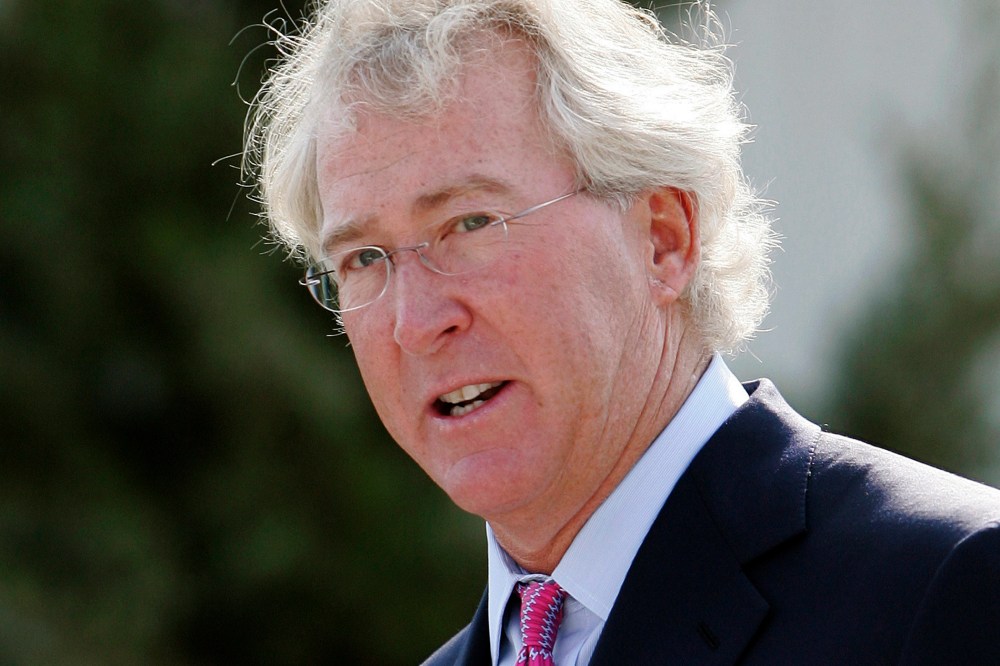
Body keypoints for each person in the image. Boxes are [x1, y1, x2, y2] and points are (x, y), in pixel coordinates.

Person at [244, 0, 1000, 663]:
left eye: (469, 224)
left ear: (663, 239)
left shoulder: (948, 585)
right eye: (363, 258)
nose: (414, 323)